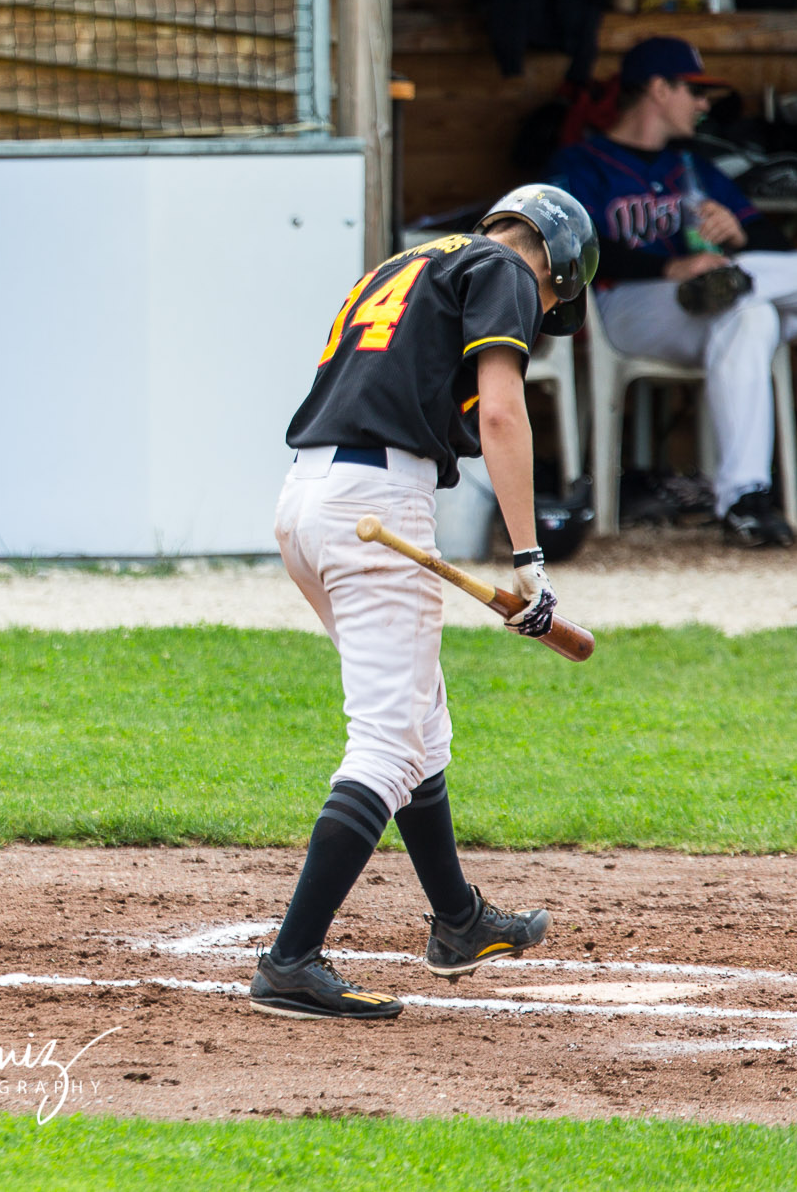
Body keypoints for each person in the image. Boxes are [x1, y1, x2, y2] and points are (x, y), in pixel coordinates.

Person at [249, 185, 596, 1020]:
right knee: (388, 741)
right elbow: (505, 416)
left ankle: (458, 920)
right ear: (551, 256)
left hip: (310, 497)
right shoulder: (510, 266)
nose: (542, 308)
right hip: (376, 506)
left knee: (418, 720)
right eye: (554, 298)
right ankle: (291, 960)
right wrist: (531, 563)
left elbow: (451, 406)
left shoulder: (409, 264)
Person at [548, 35, 797, 546]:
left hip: (716, 306)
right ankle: (736, 285)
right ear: (657, 88)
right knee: (749, 308)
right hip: (628, 304)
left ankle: (744, 500)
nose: (702, 106)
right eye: (693, 92)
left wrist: (740, 238)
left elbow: (764, 237)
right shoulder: (583, 162)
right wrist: (671, 266)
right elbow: (567, 246)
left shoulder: (695, 166)